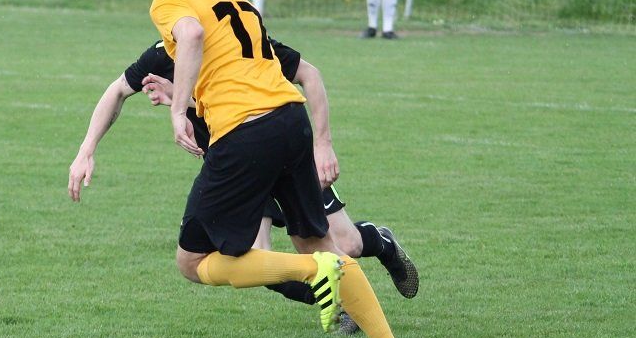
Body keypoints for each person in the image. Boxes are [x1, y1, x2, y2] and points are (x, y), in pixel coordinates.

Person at [146, 0, 413, 338]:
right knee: (317, 242)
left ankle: (312, 273)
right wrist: (192, 98)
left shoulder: (171, 1)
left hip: (245, 133)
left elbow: (191, 34)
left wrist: (177, 109)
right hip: (291, 120)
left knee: (192, 261)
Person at [67, 38, 419, 318]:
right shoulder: (162, 54)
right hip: (239, 170)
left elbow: (308, 76)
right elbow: (117, 90)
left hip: (282, 153)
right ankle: (341, 303)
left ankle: (380, 242)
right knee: (258, 259)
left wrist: (323, 145)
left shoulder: (242, 43)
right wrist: (86, 149)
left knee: (347, 245)